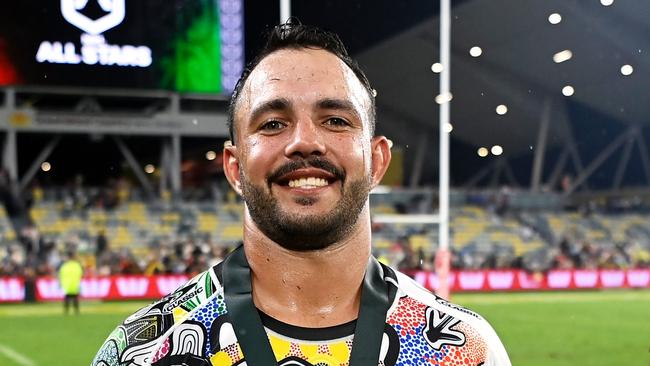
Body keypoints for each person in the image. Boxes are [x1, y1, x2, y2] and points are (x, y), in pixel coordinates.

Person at [91, 22, 511, 366]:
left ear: (378, 161)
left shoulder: (465, 351)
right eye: (273, 123)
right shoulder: (143, 352)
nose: (305, 142)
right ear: (234, 168)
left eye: (335, 120)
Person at [59, 250, 83, 315]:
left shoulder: (64, 266)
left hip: (67, 285)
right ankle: (76, 311)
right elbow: (80, 274)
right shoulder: (77, 265)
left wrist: (61, 283)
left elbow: (61, 274)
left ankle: (66, 311)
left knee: (67, 297)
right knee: (75, 298)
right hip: (75, 284)